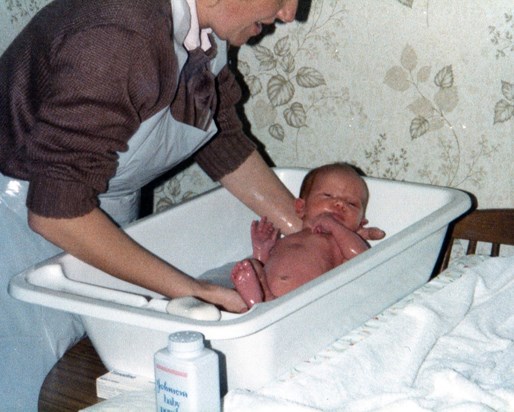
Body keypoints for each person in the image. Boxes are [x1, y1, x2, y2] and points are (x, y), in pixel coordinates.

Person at [0, 0, 305, 409]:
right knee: (29, 383)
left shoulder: (203, 25)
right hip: (18, 223)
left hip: (95, 217)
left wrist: (304, 228)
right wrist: (192, 290)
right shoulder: (118, 33)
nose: (290, 13)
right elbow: (56, 211)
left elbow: (221, 136)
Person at [231, 163, 377, 307]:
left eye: (351, 204)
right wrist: (261, 251)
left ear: (361, 223)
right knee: (254, 266)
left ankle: (257, 305)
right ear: (301, 207)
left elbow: (364, 258)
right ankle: (259, 301)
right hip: (266, 294)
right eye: (327, 196)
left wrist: (334, 225)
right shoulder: (286, 240)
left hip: (303, 302)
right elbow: (268, 266)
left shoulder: (339, 243)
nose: (339, 203)